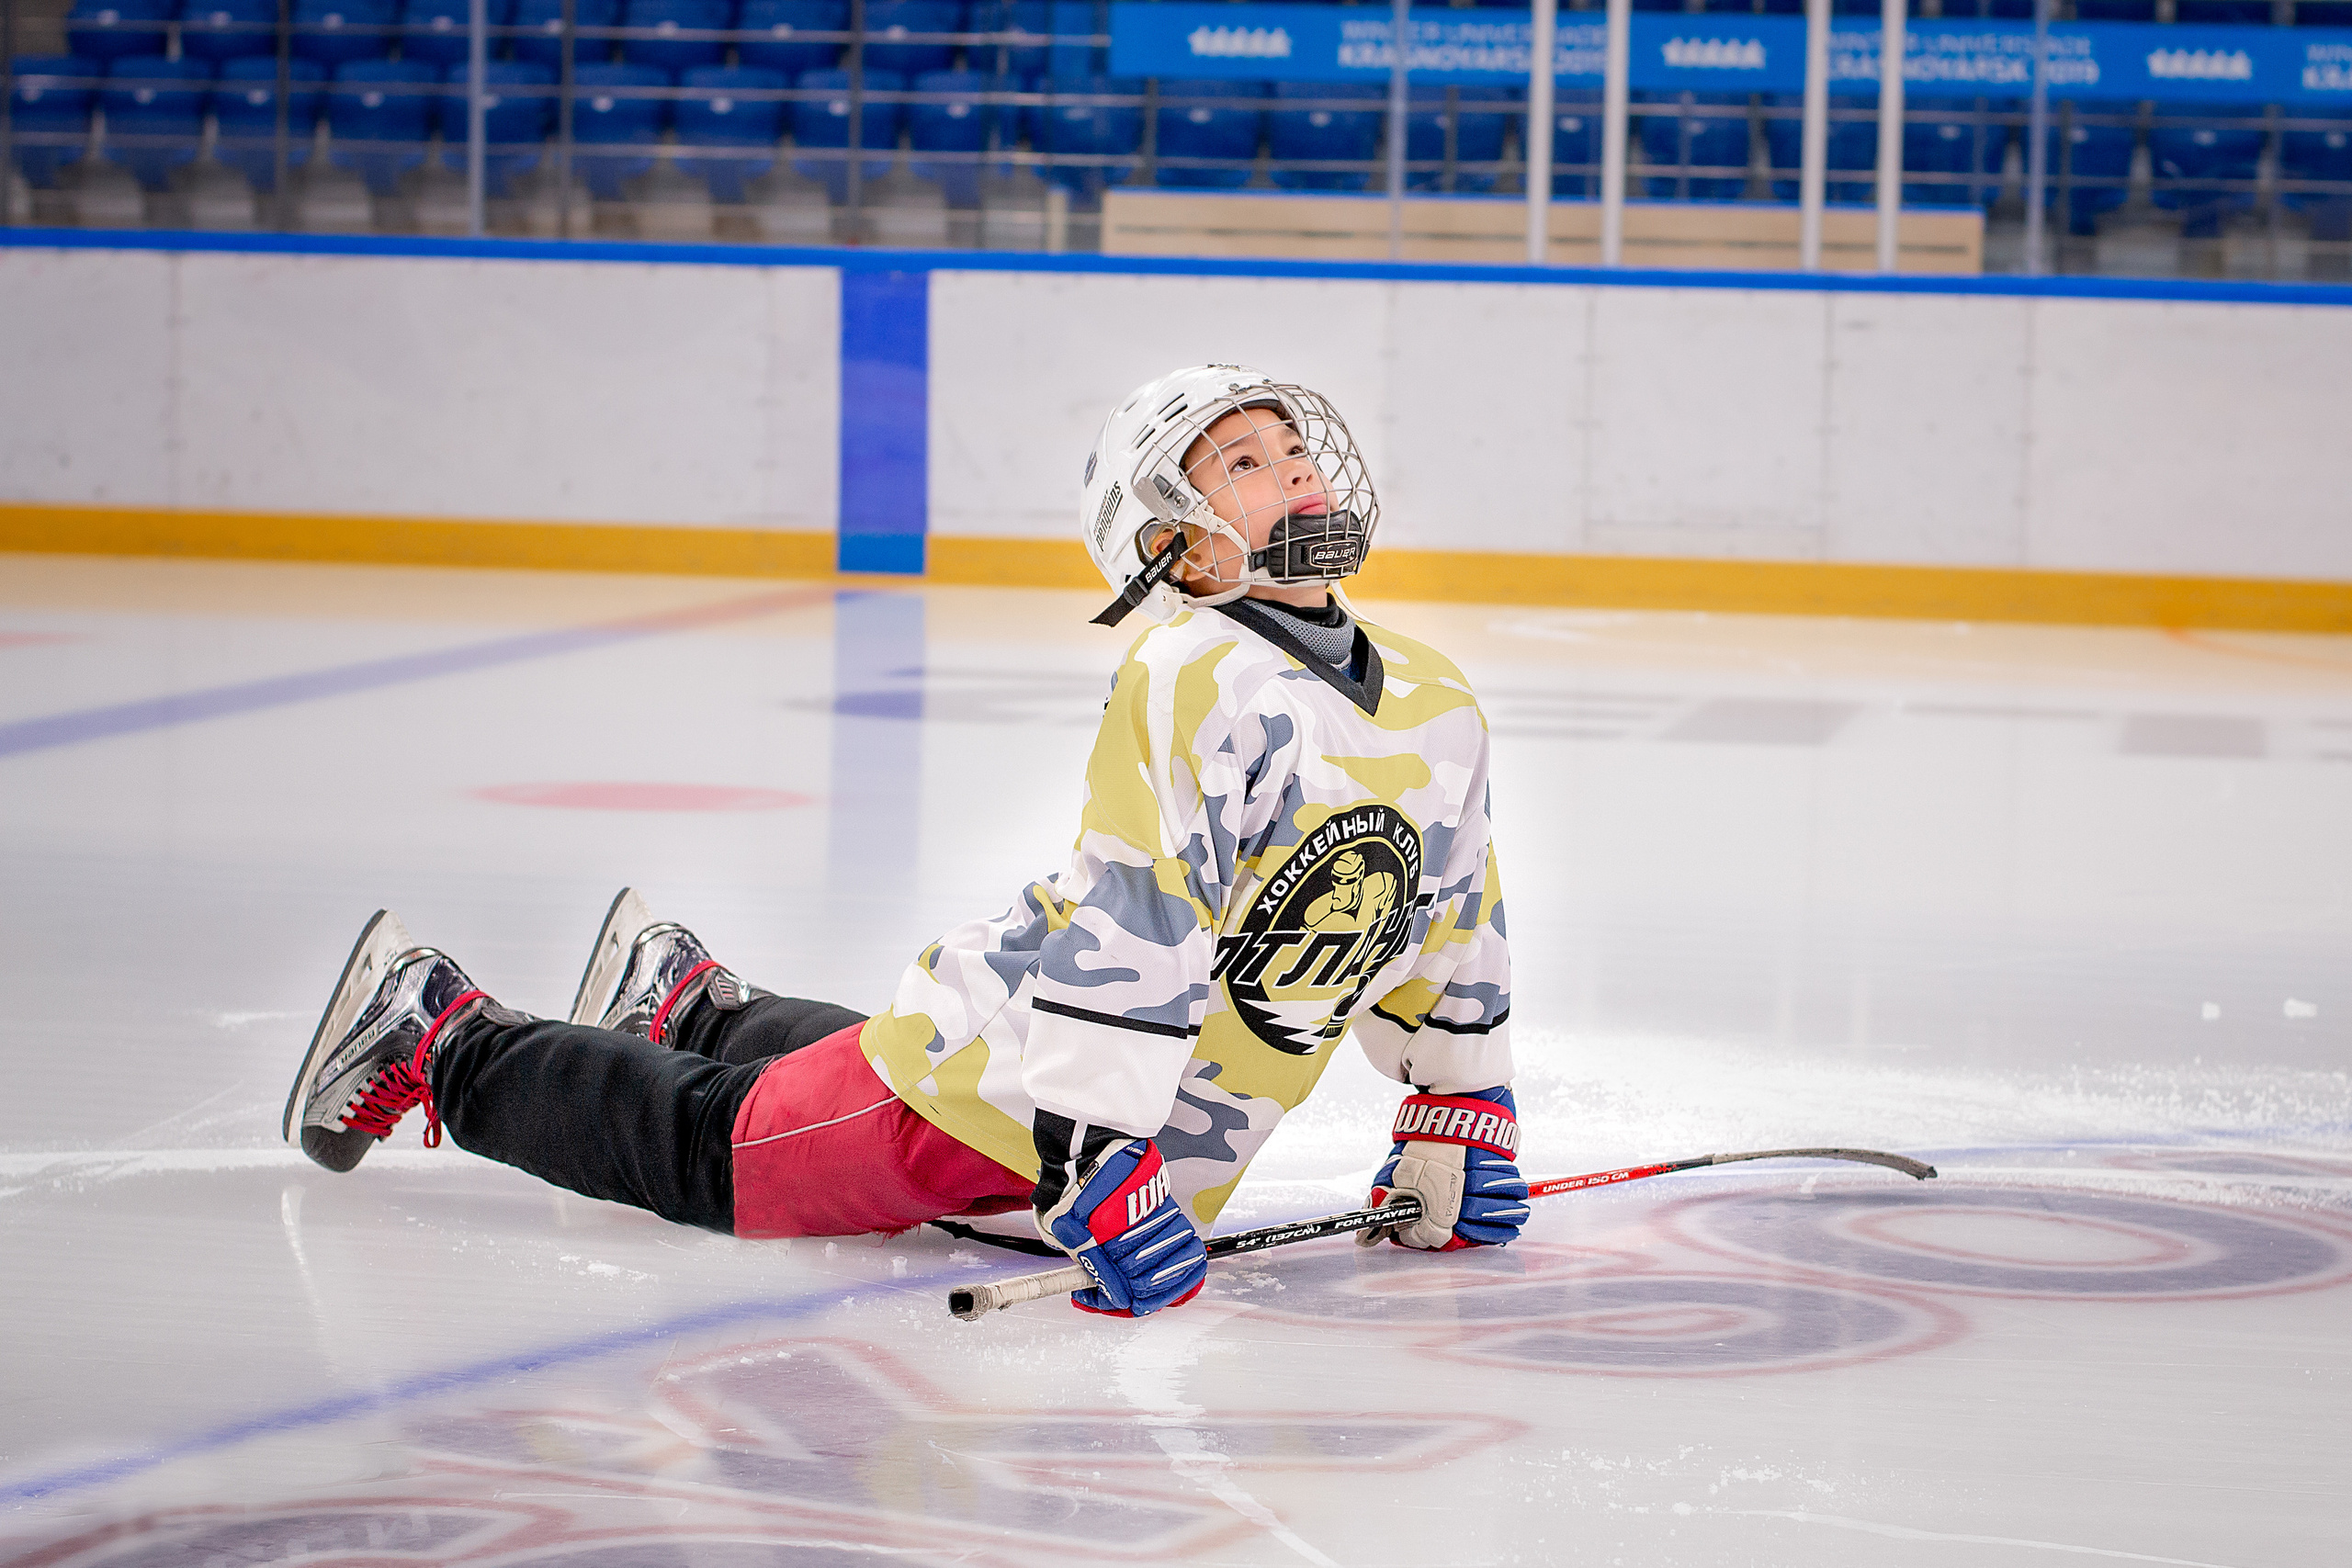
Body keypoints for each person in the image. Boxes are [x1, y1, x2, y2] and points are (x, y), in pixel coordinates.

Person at [282, 365, 1527, 1318]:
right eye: (1247, 461)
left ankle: (692, 1002)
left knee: (831, 1102)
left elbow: (1452, 909)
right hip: (1016, 1095)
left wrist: (1462, 1103)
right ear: (1180, 545)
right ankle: (438, 1031)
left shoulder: (1433, 695)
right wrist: (1093, 1149)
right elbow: (1137, 918)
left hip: (1115, 1115)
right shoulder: (1196, 671)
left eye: (1294, 445)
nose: (1297, 467)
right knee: (724, 1155)